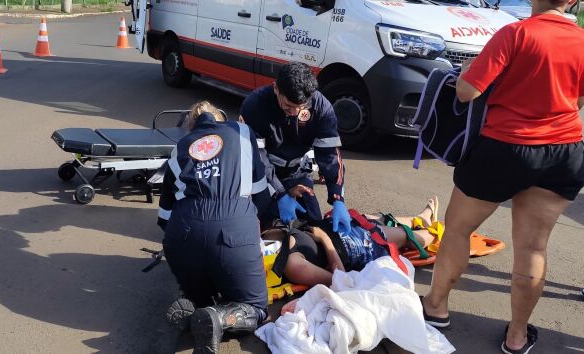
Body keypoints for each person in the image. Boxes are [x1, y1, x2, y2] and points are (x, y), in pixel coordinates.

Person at [421, 0, 584, 354]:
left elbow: (466, 91)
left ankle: (437, 306)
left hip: (504, 148)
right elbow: (578, 100)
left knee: (458, 229)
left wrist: (472, 68)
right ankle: (516, 336)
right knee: (533, 248)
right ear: (575, 0)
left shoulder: (514, 34)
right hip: (564, 152)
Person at [157, 101, 271, 354]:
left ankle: (196, 305)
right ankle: (218, 318)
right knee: (256, 308)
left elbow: (164, 217)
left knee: (202, 290)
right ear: (220, 118)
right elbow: (261, 192)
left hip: (183, 232)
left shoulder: (181, 148)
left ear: (192, 126)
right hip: (233, 228)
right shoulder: (241, 133)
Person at [240, 62, 351, 234]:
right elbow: (256, 158)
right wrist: (279, 194)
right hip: (263, 175)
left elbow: (329, 155)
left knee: (314, 222)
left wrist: (338, 198)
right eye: (288, 106)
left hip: (296, 171)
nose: (294, 112)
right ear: (276, 88)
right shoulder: (255, 105)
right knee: (264, 224)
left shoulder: (321, 107)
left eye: (301, 106)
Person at [263, 197, 440, 287]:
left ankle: (420, 219)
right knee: (404, 236)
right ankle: (441, 233)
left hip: (338, 228)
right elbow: (341, 279)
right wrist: (325, 239)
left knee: (375, 219)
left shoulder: (266, 236)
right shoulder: (293, 265)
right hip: (353, 246)